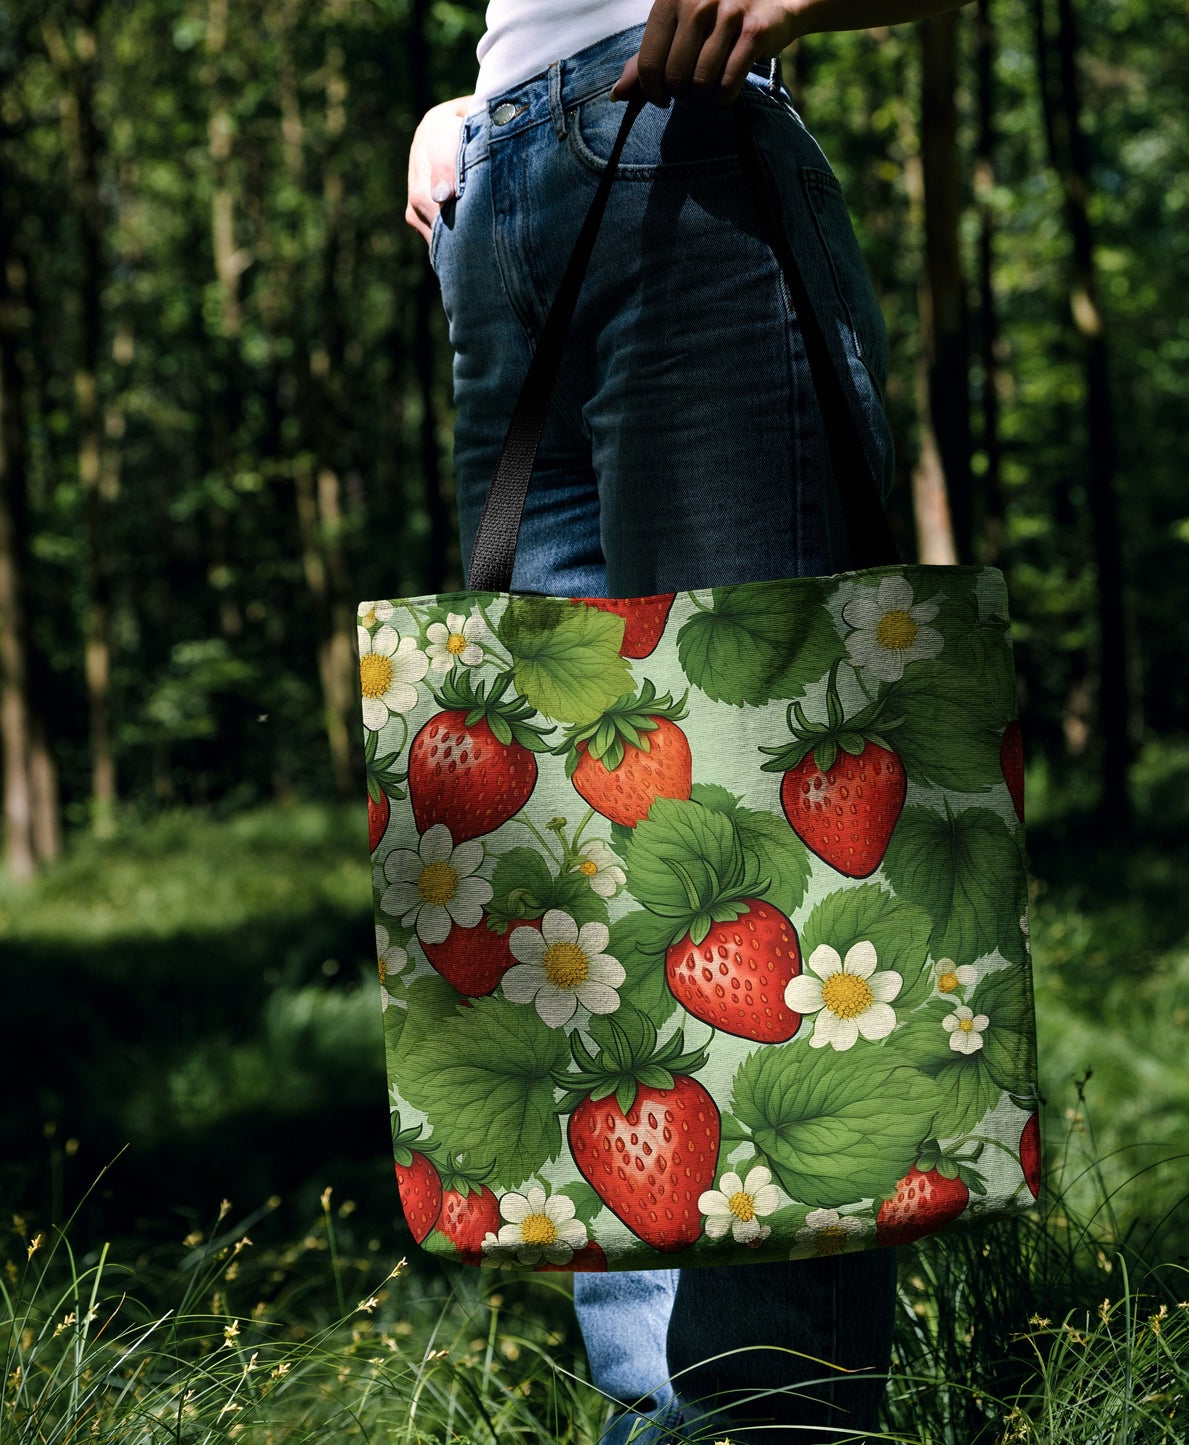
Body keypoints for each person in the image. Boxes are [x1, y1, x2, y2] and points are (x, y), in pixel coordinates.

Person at [404, 3, 966, 1439]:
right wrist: (484, 91)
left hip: (693, 150)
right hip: (500, 184)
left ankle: (772, 1409)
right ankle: (659, 1405)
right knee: (585, 847)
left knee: (759, 793)